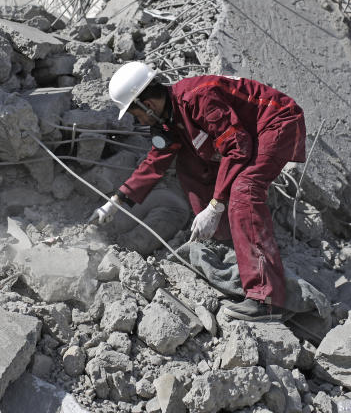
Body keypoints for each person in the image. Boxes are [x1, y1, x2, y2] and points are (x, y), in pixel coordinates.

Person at [92, 61, 306, 321]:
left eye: (137, 115)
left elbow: (238, 147)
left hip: (276, 121)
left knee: (244, 191)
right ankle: (227, 241)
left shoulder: (198, 98)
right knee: (189, 166)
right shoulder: (168, 121)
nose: (140, 121)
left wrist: (215, 206)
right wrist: (117, 200)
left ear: (148, 105)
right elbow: (156, 159)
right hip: (248, 134)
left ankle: (266, 299)